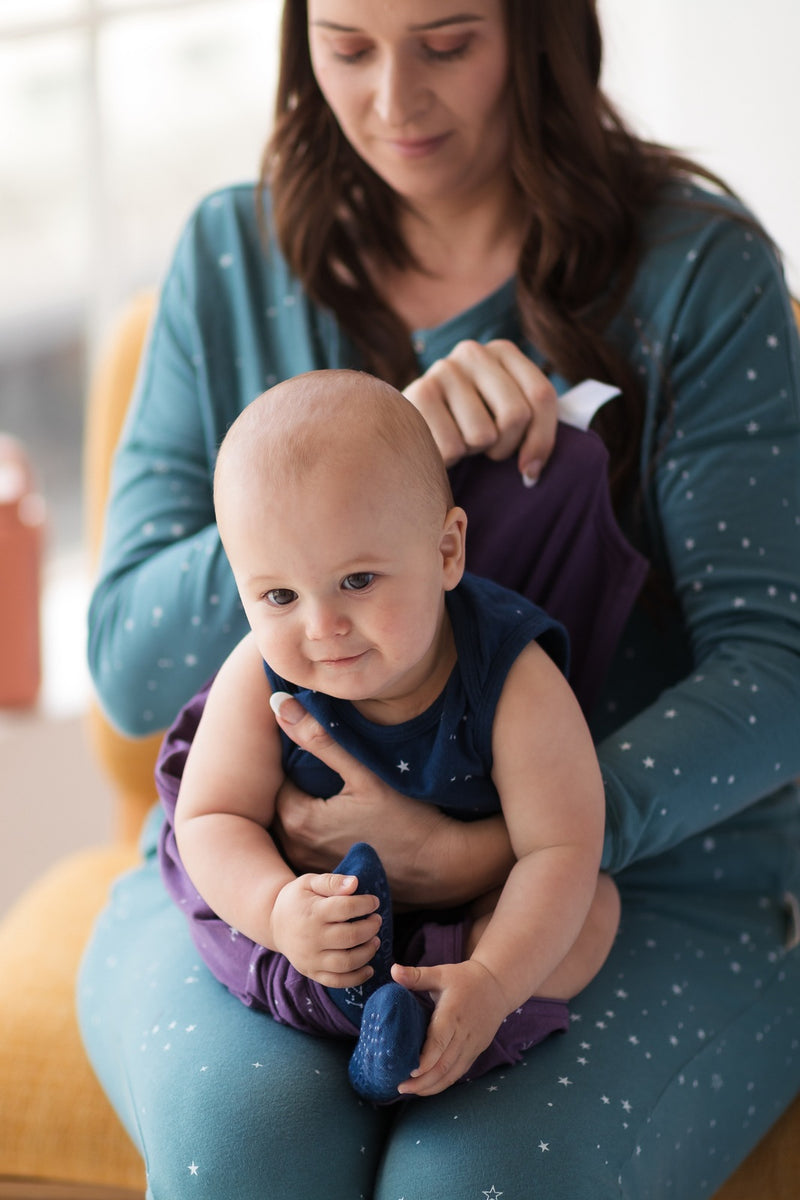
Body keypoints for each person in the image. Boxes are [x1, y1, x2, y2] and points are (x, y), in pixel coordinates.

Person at [78, 1, 800, 1196]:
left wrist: (506, 849)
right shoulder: (229, 255)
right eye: (347, 45)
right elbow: (126, 666)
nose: (393, 102)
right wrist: (381, 458)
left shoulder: (693, 271)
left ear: (538, 30)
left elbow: (777, 670)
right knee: (251, 1149)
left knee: (472, 1185)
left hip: (640, 878)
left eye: (449, 40)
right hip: (261, 875)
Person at [167, 368, 620, 1103]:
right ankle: (339, 1002)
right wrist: (280, 912)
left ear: (446, 552)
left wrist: (496, 975)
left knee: (592, 910)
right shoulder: (257, 676)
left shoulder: (513, 678)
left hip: (472, 927)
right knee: (227, 912)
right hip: (308, 907)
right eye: (279, 595)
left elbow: (561, 846)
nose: (321, 628)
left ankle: (448, 1022)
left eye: (357, 581)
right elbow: (213, 817)